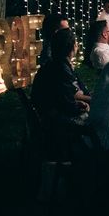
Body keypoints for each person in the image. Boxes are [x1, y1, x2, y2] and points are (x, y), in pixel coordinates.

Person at [32, 28, 90, 158]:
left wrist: (77, 101)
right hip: (55, 120)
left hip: (49, 114)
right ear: (73, 46)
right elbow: (67, 105)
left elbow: (63, 97)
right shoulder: (61, 69)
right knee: (97, 122)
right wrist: (80, 106)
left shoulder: (54, 65)